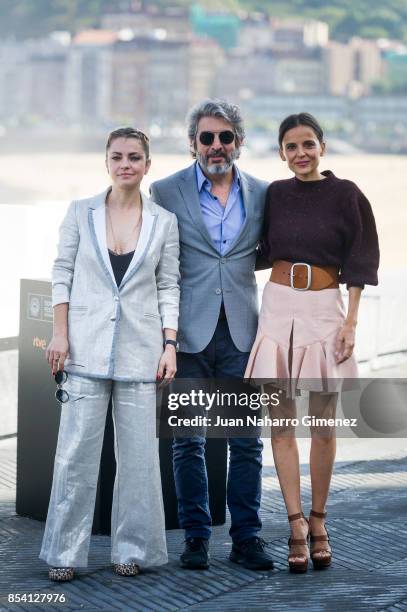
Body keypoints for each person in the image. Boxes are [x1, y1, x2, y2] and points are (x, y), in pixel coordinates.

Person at [39, 127, 180, 581]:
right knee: (75, 456)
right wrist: (59, 334)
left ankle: (132, 550)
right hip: (84, 349)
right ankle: (64, 553)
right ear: (106, 162)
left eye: (135, 157)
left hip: (142, 352)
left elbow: (168, 286)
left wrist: (170, 345)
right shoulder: (80, 213)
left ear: (147, 165)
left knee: (139, 460)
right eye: (118, 156)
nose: (126, 164)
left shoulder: (164, 221)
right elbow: (61, 274)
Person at [245, 112, 380, 573]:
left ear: (322, 146)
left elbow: (361, 261)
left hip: (326, 308)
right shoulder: (275, 195)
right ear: (281, 153)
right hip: (278, 308)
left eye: (307, 144)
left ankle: (320, 520)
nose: (300, 154)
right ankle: (295, 524)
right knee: (281, 426)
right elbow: (251, 248)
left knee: (323, 424)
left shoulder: (347, 195)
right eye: (290, 147)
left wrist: (351, 324)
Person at [150, 99, 274, 571]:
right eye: (207, 137)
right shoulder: (164, 191)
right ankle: (196, 538)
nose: (216, 145)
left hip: (244, 333)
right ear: (193, 143)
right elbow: (154, 263)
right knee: (188, 442)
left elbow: (270, 252)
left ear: (239, 142)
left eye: (225, 137)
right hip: (186, 336)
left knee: (246, 441)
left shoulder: (263, 193)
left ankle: (247, 538)